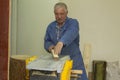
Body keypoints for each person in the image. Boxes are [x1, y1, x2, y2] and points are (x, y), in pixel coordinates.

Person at [44, 2, 88, 80]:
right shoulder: (50, 27)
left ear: (66, 13)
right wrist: (50, 47)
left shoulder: (73, 23)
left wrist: (61, 43)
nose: (59, 16)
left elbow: (71, 32)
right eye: (56, 14)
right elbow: (47, 41)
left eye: (62, 13)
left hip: (74, 63)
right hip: (58, 64)